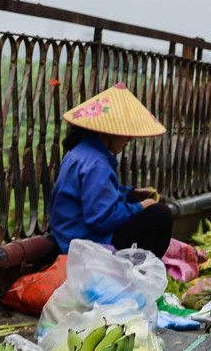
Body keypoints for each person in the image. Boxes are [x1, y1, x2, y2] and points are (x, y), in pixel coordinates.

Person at [47, 83, 173, 256]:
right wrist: (140, 207)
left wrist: (131, 194)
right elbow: (102, 219)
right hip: (84, 244)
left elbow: (96, 196)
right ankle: (137, 270)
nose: (129, 140)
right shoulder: (96, 164)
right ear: (108, 132)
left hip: (69, 237)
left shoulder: (81, 152)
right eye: (126, 134)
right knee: (161, 215)